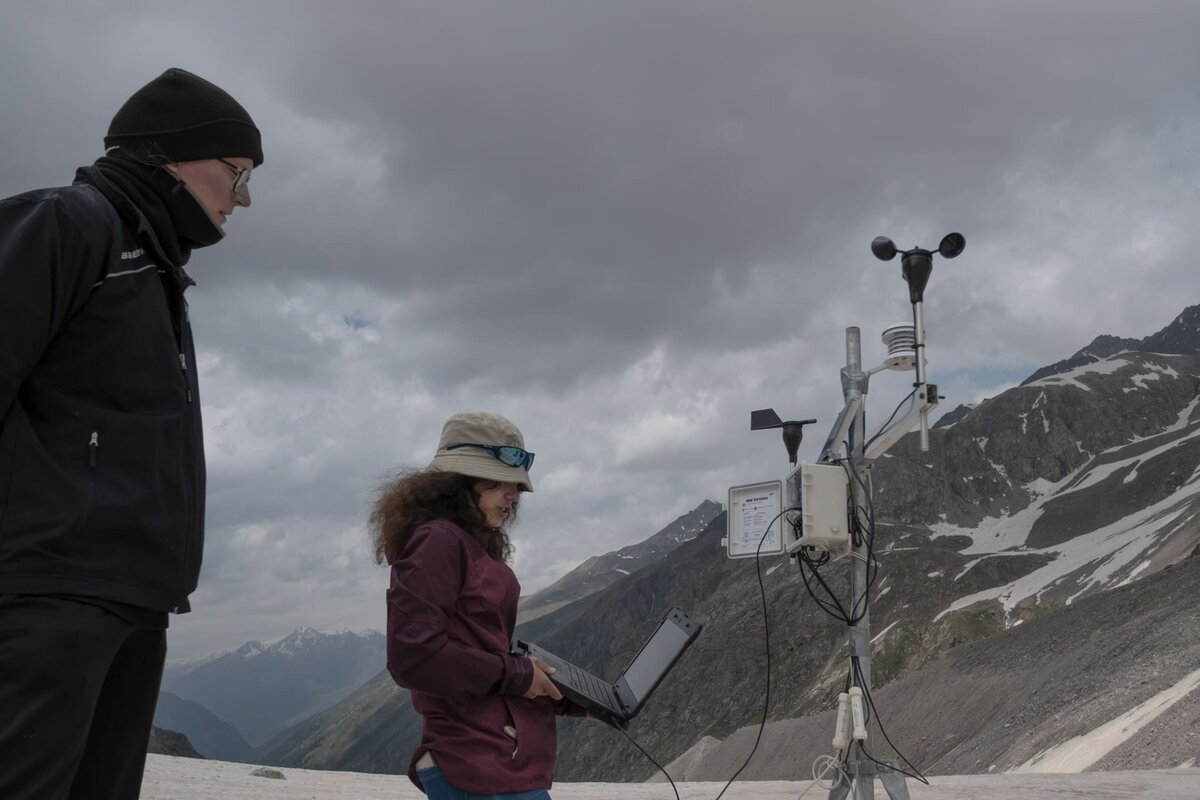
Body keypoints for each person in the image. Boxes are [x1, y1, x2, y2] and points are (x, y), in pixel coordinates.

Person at [0, 68, 262, 800]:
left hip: (131, 599)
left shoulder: (153, 271)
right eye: (237, 173)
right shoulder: (68, 223)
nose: (244, 197)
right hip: (50, 594)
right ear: (173, 156)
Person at [374, 412, 585, 799]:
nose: (516, 493)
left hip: (492, 757)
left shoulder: (460, 542)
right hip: (476, 761)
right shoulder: (438, 540)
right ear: (460, 481)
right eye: (504, 481)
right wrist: (517, 675)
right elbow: (413, 656)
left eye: (518, 484)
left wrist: (557, 689)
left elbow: (477, 651)